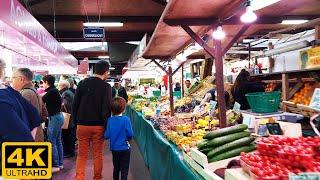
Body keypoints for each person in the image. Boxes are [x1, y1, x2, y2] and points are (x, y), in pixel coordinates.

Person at [0, 59, 41, 175]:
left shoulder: (4, 98)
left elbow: (22, 136)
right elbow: (36, 117)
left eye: (14, 78)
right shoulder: (12, 93)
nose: (12, 81)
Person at [73, 60, 112, 180]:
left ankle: (79, 177)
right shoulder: (106, 87)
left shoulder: (82, 83)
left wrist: (76, 123)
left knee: (82, 155)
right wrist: (107, 127)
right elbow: (106, 108)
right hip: (98, 126)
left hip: (82, 125)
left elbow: (75, 105)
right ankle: (97, 177)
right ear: (105, 72)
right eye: (108, 72)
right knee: (97, 154)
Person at [11, 68, 48, 142]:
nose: (11, 81)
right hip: (38, 134)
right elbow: (45, 114)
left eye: (13, 78)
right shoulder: (34, 91)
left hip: (28, 138)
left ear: (21, 79)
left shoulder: (25, 93)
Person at [104, 97, 134, 180]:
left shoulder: (110, 120)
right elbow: (130, 133)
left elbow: (106, 135)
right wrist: (128, 139)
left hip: (114, 149)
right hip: (125, 148)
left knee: (116, 168)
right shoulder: (126, 119)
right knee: (124, 169)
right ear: (123, 109)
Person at [42, 75, 64, 173]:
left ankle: (56, 164)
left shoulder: (51, 92)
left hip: (54, 118)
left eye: (43, 82)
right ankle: (60, 163)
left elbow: (41, 101)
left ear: (46, 82)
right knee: (58, 141)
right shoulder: (55, 91)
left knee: (52, 142)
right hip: (59, 116)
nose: (42, 85)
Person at [58, 80, 76, 158]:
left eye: (59, 85)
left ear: (63, 86)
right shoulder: (69, 92)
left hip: (68, 117)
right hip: (71, 117)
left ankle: (68, 152)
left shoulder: (66, 93)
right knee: (69, 135)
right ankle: (70, 151)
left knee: (67, 135)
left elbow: (65, 105)